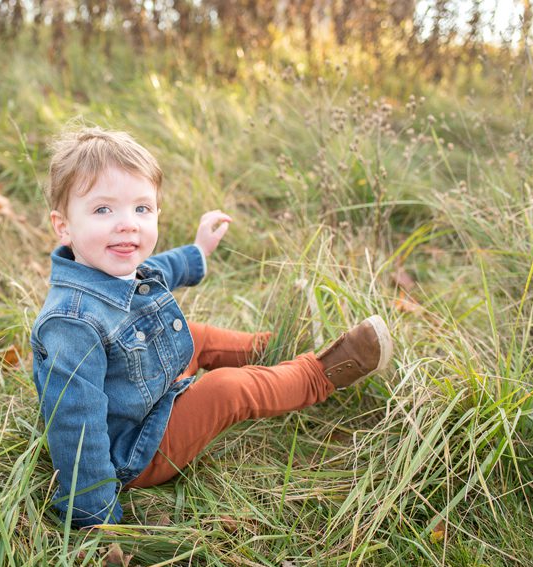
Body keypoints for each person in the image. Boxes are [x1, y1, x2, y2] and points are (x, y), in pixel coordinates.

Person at [30, 126, 393, 527]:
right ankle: (322, 372)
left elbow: (162, 268)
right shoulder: (71, 323)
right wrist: (93, 515)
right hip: (137, 448)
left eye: (141, 209)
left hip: (150, 389)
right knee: (224, 389)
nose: (127, 224)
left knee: (194, 334)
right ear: (63, 225)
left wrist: (199, 251)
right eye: (103, 210)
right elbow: (75, 424)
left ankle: (273, 346)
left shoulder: (112, 264)